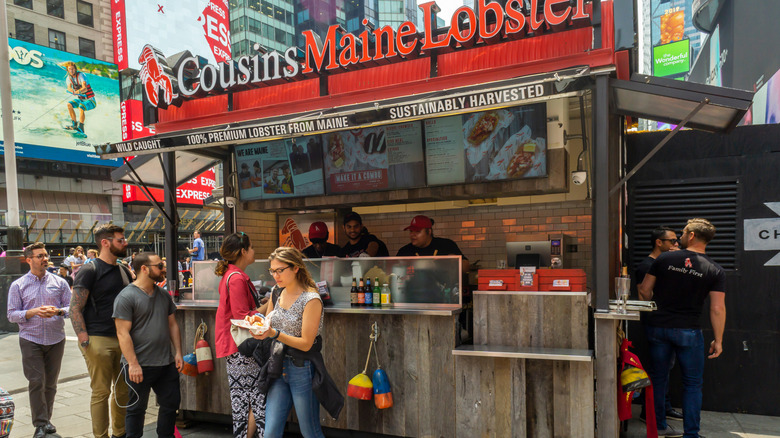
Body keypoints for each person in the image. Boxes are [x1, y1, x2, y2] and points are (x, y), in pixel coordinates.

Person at [639, 218, 726, 438]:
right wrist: (719, 339)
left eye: (684, 232)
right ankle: (691, 434)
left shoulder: (665, 259)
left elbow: (645, 291)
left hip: (658, 327)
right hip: (689, 330)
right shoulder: (715, 269)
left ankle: (658, 427)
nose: (681, 235)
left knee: (658, 378)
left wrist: (655, 300)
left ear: (693, 235)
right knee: (692, 385)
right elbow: (717, 308)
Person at [257, 247, 328, 438]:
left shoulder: (311, 299)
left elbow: (306, 343)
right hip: (278, 365)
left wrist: (273, 333)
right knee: (270, 432)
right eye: (273, 271)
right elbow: (268, 321)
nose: (276, 275)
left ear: (296, 268)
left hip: (302, 367)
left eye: (280, 270)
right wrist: (260, 329)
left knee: (310, 431)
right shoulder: (276, 291)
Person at [71, 224, 132, 438]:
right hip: (98, 338)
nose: (125, 243)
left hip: (124, 339)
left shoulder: (124, 269)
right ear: (105, 243)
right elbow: (75, 307)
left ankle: (120, 433)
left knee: (124, 391)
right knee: (101, 391)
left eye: (124, 239)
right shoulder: (89, 270)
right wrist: (84, 339)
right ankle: (101, 436)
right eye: (120, 240)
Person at [113, 252, 183, 438]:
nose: (164, 269)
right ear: (144, 269)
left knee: (171, 404)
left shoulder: (163, 294)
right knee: (136, 409)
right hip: (139, 365)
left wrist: (178, 353)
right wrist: (133, 364)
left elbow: (173, 324)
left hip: (165, 362)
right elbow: (122, 333)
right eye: (159, 265)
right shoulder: (126, 296)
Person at [7, 242, 71, 438]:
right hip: (30, 339)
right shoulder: (18, 285)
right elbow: (11, 314)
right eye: (40, 256)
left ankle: (46, 420)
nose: (45, 259)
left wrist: (58, 311)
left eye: (45, 255)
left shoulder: (60, 283)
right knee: (36, 381)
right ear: (29, 260)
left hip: (55, 339)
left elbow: (72, 308)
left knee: (50, 383)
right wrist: (32, 312)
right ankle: (40, 425)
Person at [214, 233, 267, 438]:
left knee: (247, 399)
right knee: (254, 398)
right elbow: (242, 317)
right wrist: (267, 307)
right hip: (242, 349)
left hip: (235, 348)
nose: (254, 251)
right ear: (243, 251)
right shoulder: (236, 278)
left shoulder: (231, 274)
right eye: (251, 247)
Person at [634, 227, 683, 423]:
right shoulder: (647, 265)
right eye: (672, 241)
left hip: (669, 322)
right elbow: (643, 294)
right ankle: (651, 412)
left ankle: (664, 406)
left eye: (677, 240)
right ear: (659, 242)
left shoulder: (667, 263)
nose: (676, 244)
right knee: (658, 368)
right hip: (656, 322)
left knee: (666, 367)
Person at [396, 215, 470, 272]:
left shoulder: (446, 245)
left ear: (429, 231)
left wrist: (455, 261)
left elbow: (466, 267)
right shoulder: (405, 251)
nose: (412, 234)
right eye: (411, 231)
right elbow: (394, 271)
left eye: (417, 231)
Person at [64, 61, 97, 135]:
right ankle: (74, 125)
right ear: (68, 70)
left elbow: (85, 88)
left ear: (75, 69)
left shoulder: (81, 75)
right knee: (69, 104)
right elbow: (69, 88)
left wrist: (78, 91)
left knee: (81, 107)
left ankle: (81, 128)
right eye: (70, 69)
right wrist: (71, 91)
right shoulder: (68, 78)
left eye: (73, 69)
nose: (71, 70)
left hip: (91, 101)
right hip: (81, 100)